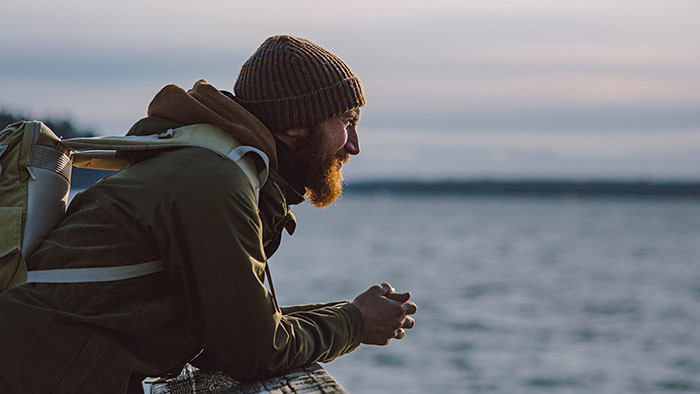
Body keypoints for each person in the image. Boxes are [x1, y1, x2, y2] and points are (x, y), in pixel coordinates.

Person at [0, 35, 416, 393]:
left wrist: (350, 313)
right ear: (296, 122)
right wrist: (355, 323)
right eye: (346, 121)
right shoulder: (215, 180)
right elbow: (252, 351)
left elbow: (222, 334)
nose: (355, 144)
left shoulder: (212, 166)